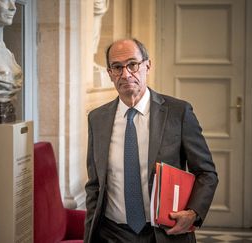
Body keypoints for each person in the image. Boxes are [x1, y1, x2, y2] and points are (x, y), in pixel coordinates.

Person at [84, 38, 218, 243]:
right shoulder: (97, 118)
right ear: (110, 73)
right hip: (111, 233)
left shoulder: (178, 112)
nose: (126, 74)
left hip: (164, 233)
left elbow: (206, 172)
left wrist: (193, 213)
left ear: (147, 65)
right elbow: (94, 185)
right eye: (117, 67)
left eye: (132, 64)